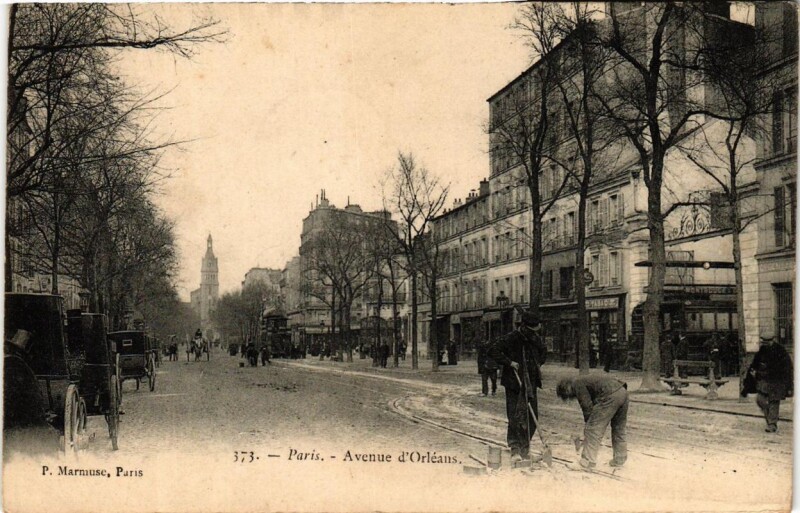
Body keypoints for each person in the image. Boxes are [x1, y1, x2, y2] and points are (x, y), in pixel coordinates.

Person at [487, 308, 547, 462]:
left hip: (530, 383)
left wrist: (537, 363)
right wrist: (509, 362)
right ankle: (515, 450)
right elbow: (493, 350)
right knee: (515, 417)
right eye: (533, 329)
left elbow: (543, 354)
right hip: (514, 383)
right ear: (525, 326)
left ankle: (525, 450)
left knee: (532, 419)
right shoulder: (511, 338)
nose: (535, 331)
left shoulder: (536, 338)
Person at [556, 374, 629, 471]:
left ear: (566, 388)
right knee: (619, 428)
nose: (570, 397)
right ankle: (620, 459)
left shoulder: (577, 383)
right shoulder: (584, 379)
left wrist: (588, 425)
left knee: (593, 429)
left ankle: (587, 462)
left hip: (610, 395)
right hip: (623, 391)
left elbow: (587, 407)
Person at [743, 332, 793, 433]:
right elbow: (755, 364)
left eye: (766, 342)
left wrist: (788, 383)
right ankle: (771, 418)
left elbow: (787, 368)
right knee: (760, 400)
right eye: (763, 342)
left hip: (777, 381)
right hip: (764, 381)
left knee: (774, 402)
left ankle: (772, 424)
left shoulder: (781, 351)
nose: (764, 344)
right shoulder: (762, 350)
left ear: (772, 340)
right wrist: (753, 373)